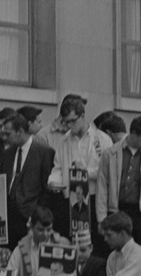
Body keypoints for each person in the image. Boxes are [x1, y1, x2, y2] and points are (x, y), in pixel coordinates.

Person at [96, 115, 141, 255]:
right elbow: (102, 188)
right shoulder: (110, 154)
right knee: (112, 253)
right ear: (133, 134)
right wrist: (101, 219)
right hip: (116, 209)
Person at [47, 95, 112, 240]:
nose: (69, 126)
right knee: (71, 240)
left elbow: (107, 171)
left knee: (93, 241)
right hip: (71, 199)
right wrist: (53, 181)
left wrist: (84, 173)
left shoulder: (102, 140)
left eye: (73, 121)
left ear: (82, 116)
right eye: (66, 122)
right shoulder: (64, 141)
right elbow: (58, 166)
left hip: (94, 198)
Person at [2, 112, 56, 248]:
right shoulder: (7, 154)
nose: (4, 137)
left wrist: (37, 215)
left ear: (20, 131)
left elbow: (47, 188)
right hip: (8, 216)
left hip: (30, 215)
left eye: (8, 134)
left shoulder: (44, 153)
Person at [7, 205, 70, 276]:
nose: (45, 234)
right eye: (41, 230)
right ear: (31, 227)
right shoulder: (20, 250)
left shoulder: (61, 245)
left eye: (49, 230)